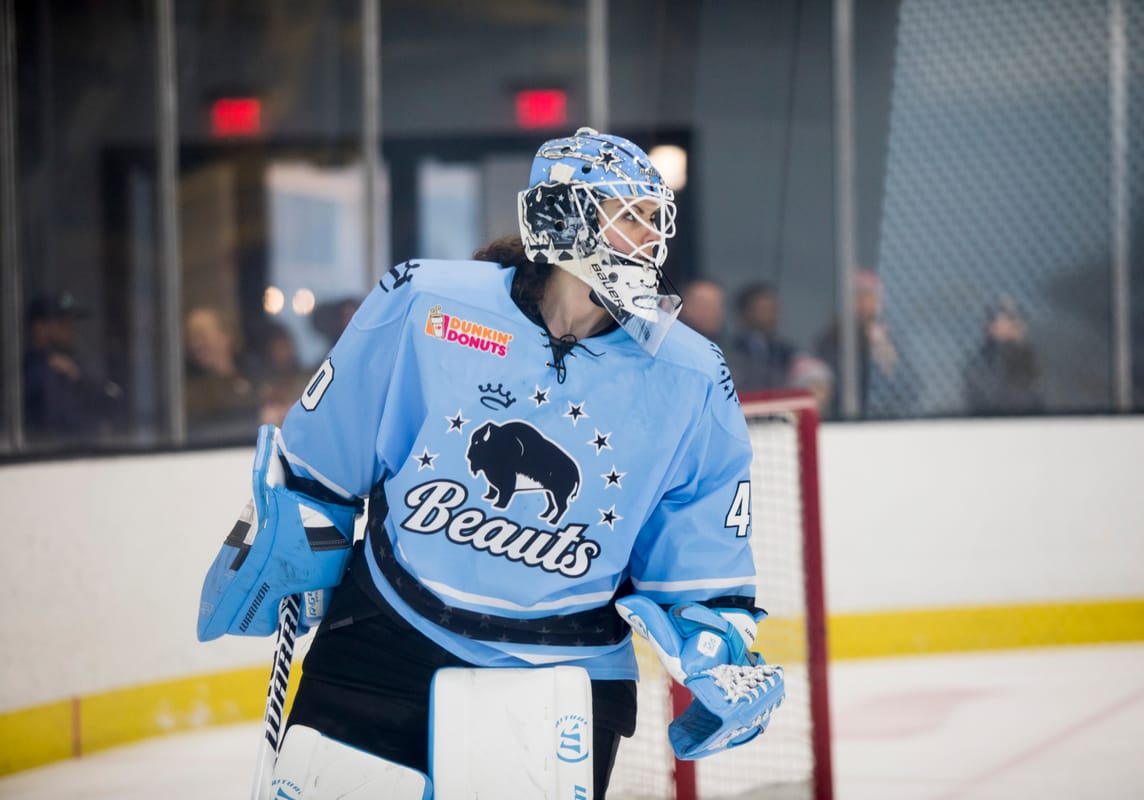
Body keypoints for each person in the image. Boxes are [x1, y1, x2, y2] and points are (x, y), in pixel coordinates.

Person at [196, 128, 782, 797]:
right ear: (562, 216)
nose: (649, 238)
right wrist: (298, 524)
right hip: (389, 630)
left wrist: (714, 642)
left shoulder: (692, 373)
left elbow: (700, 544)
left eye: (654, 219)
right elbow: (330, 448)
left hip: (568, 671)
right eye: (628, 215)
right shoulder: (429, 304)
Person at [22, 291, 121, 445]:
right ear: (40, 328)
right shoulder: (23, 375)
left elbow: (113, 401)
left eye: (72, 323)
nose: (71, 330)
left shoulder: (76, 369)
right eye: (63, 324)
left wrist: (77, 375)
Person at [814, 268, 914, 418]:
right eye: (857, 297)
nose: (864, 304)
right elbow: (835, 383)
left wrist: (884, 353)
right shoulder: (831, 340)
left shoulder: (890, 339)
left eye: (870, 297)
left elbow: (911, 388)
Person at [183, 306, 259, 442]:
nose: (196, 344)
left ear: (226, 336)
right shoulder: (191, 392)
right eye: (191, 337)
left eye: (201, 335)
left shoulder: (254, 376)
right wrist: (258, 420)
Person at [963, 296, 1042, 415]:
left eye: (1019, 316)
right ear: (991, 326)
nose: (1017, 322)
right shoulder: (985, 363)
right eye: (1010, 317)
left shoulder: (1026, 354)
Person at [725, 282, 796, 391]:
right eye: (763, 309)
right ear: (745, 312)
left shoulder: (786, 351)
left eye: (773, 309)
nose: (771, 315)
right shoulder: (728, 349)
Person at [677, 277, 728, 348]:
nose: (706, 310)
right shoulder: (663, 348)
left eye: (713, 305)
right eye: (699, 303)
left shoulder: (735, 356)